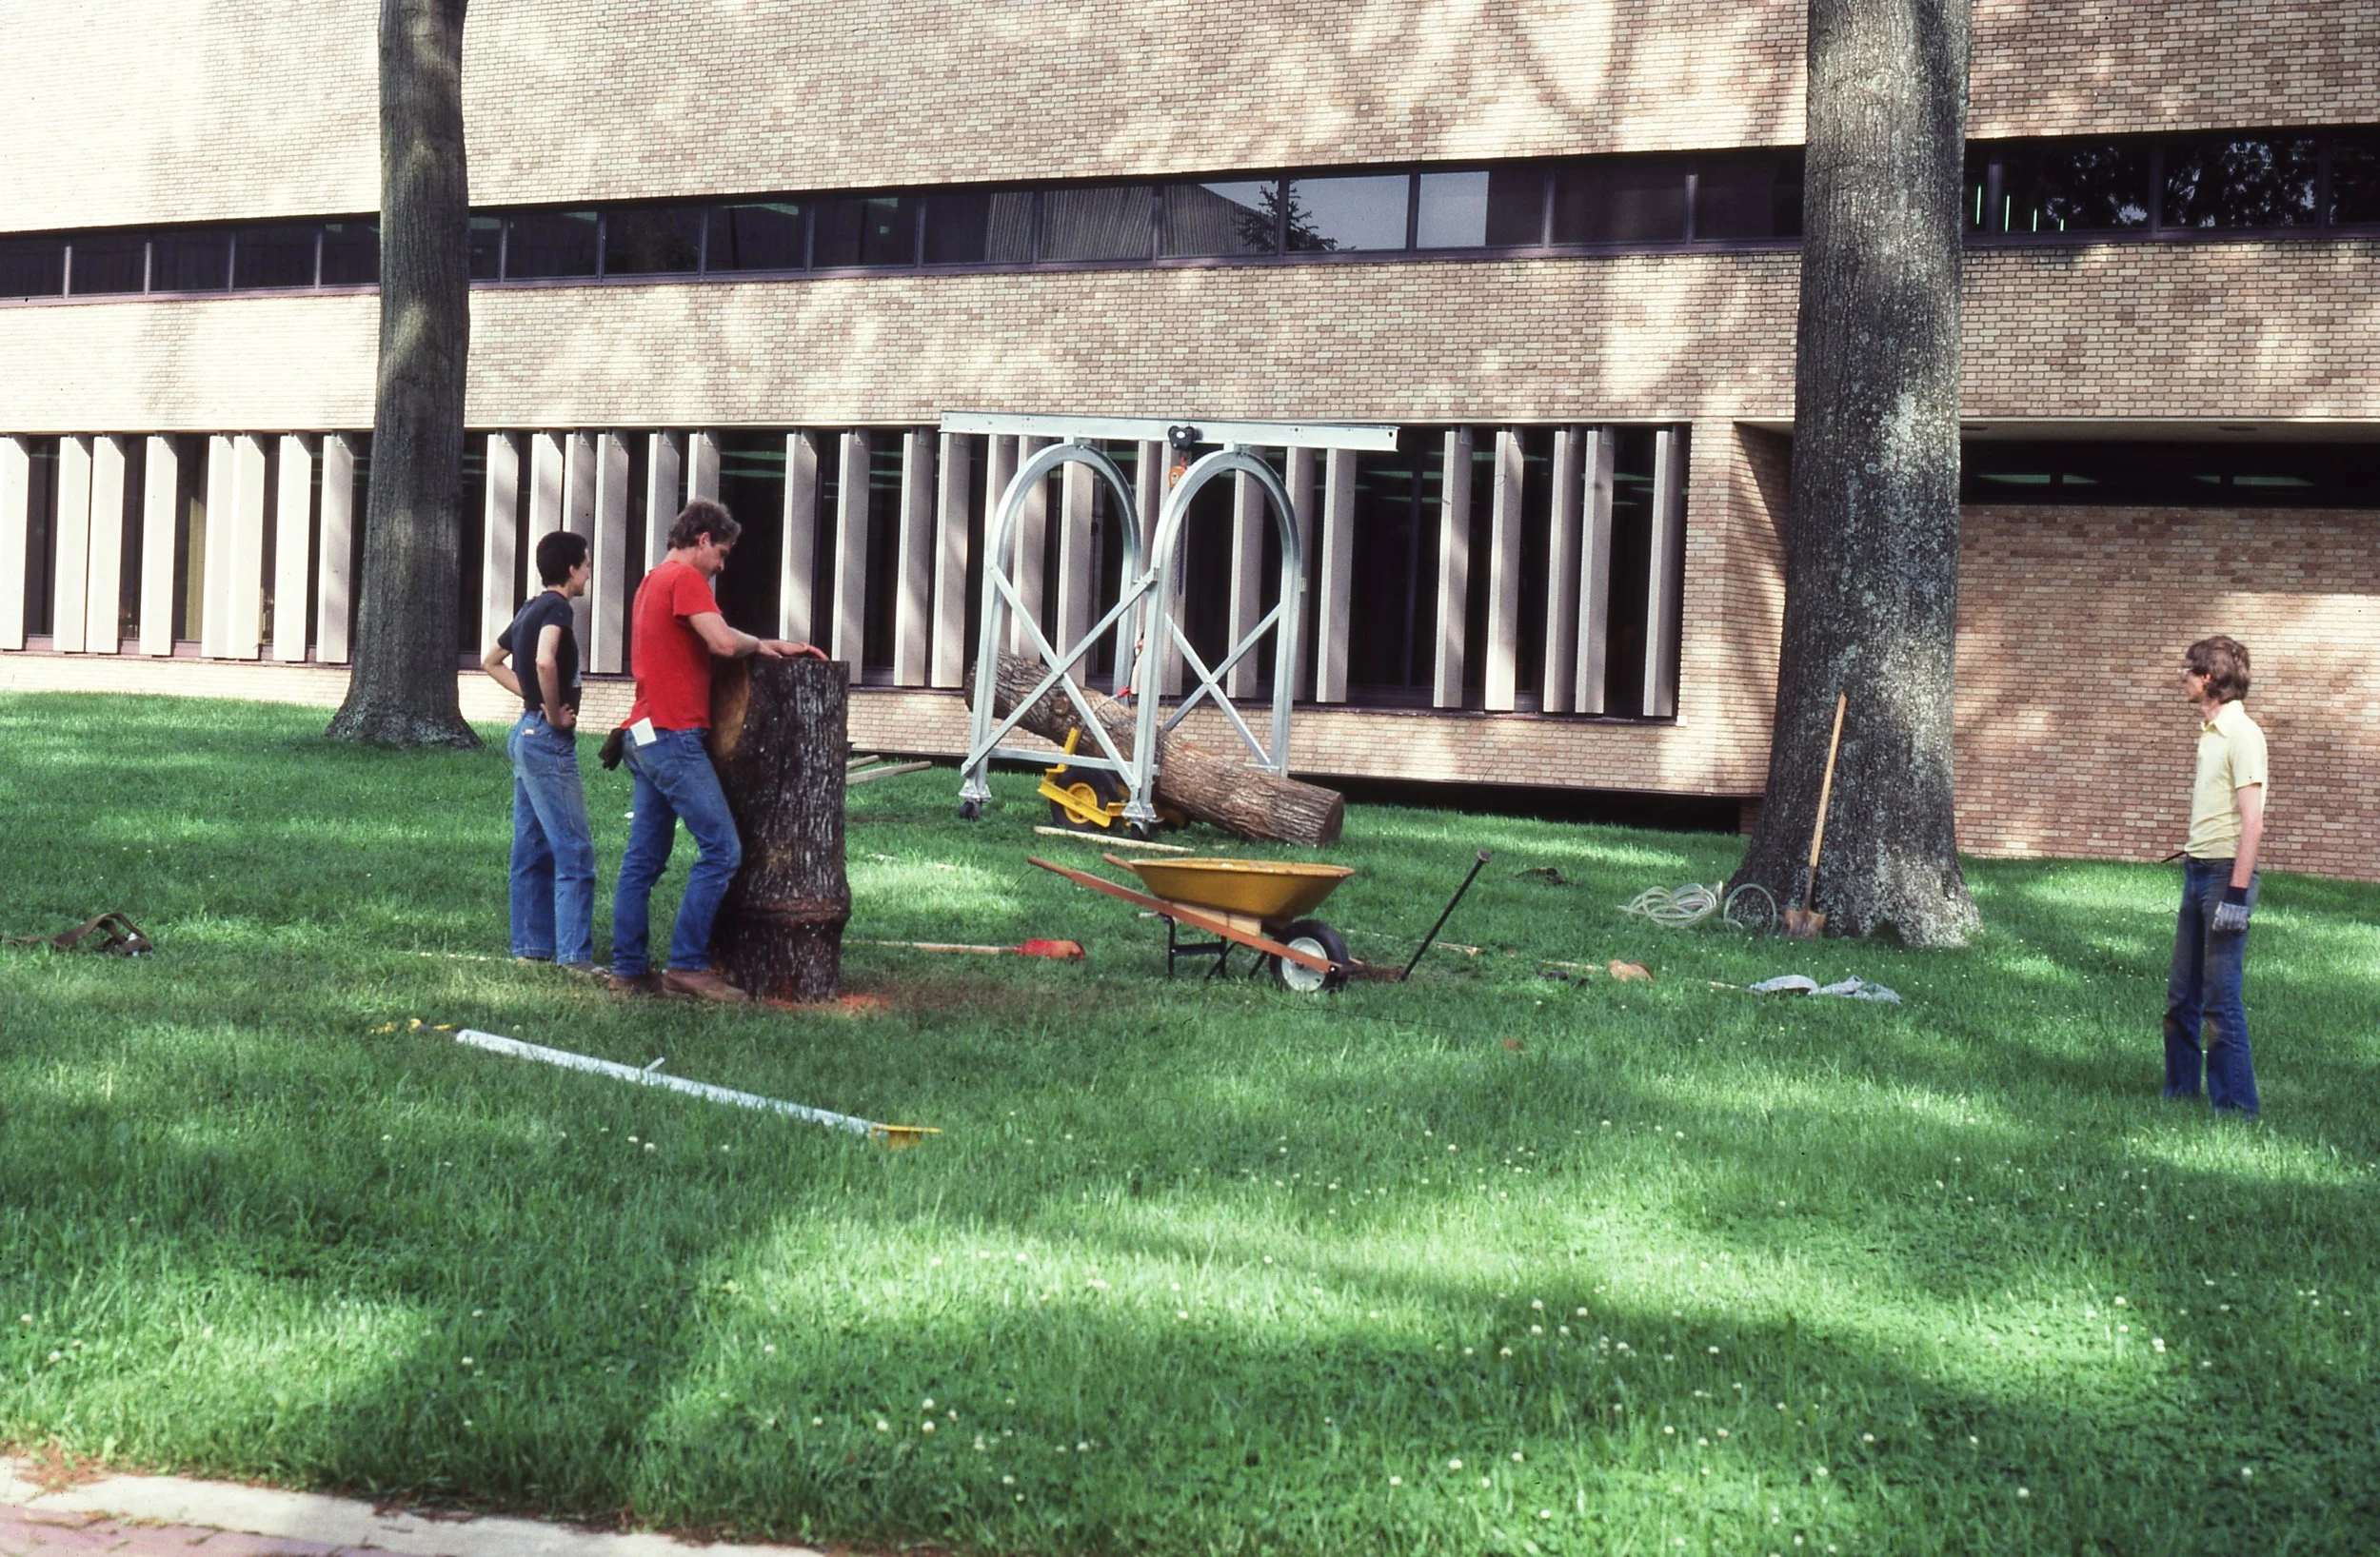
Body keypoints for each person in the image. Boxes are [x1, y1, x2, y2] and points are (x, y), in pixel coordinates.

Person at [609, 499, 825, 1000]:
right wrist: (767, 642)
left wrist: (759, 641)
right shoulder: (686, 580)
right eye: (723, 554)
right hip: (672, 736)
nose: (722, 566)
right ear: (703, 539)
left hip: (641, 733)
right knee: (722, 850)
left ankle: (627, 969)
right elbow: (723, 644)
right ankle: (685, 965)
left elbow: (713, 640)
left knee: (643, 861)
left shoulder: (651, 580)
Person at [482, 530, 598, 974]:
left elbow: (491, 661)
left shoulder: (530, 607)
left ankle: (532, 950)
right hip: (546, 741)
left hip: (524, 735)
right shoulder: (556, 608)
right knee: (574, 850)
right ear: (571, 568)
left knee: (531, 848)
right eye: (586, 564)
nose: (588, 571)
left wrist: (531, 700)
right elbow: (546, 660)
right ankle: (573, 958)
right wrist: (551, 712)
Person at [2165, 634, 2269, 1117]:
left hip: (2224, 878)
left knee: (2219, 1002)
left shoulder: (2243, 735)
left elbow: (2253, 820)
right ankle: (2181, 1095)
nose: (2181, 676)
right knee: (2180, 998)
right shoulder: (2209, 733)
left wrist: (2236, 894)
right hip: (2196, 872)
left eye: (2188, 669)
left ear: (2208, 678)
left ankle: (2237, 1109)